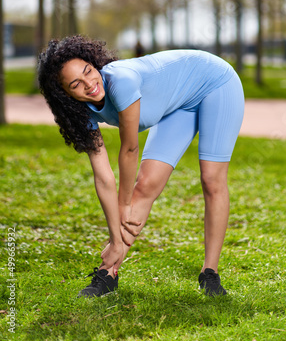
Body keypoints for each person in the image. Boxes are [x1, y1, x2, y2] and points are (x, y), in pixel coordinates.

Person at [38, 35, 244, 298]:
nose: (89, 84)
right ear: (65, 95)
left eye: (88, 71)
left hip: (215, 83)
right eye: (76, 84)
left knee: (211, 179)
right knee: (145, 185)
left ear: (93, 64)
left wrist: (124, 205)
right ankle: (107, 274)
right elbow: (103, 177)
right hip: (178, 105)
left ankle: (210, 274)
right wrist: (115, 235)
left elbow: (130, 149)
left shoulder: (121, 81)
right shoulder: (81, 114)